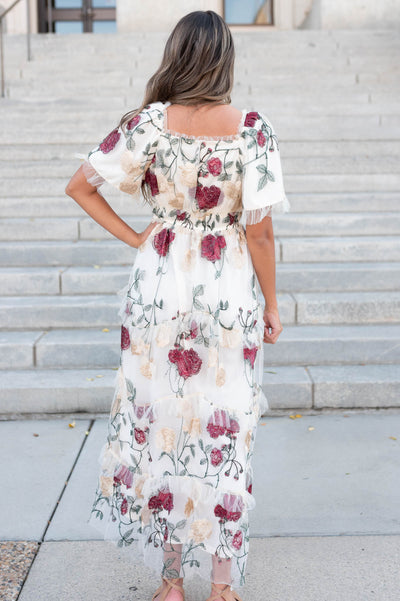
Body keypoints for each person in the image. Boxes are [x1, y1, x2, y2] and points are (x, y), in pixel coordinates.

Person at [65, 9, 290, 601]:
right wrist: (272, 302)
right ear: (224, 60)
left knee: (163, 425)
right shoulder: (254, 130)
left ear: (175, 55)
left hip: (158, 284)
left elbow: (79, 185)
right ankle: (221, 585)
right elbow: (260, 232)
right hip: (226, 288)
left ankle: (170, 585)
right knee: (225, 429)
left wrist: (141, 235)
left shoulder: (148, 125)